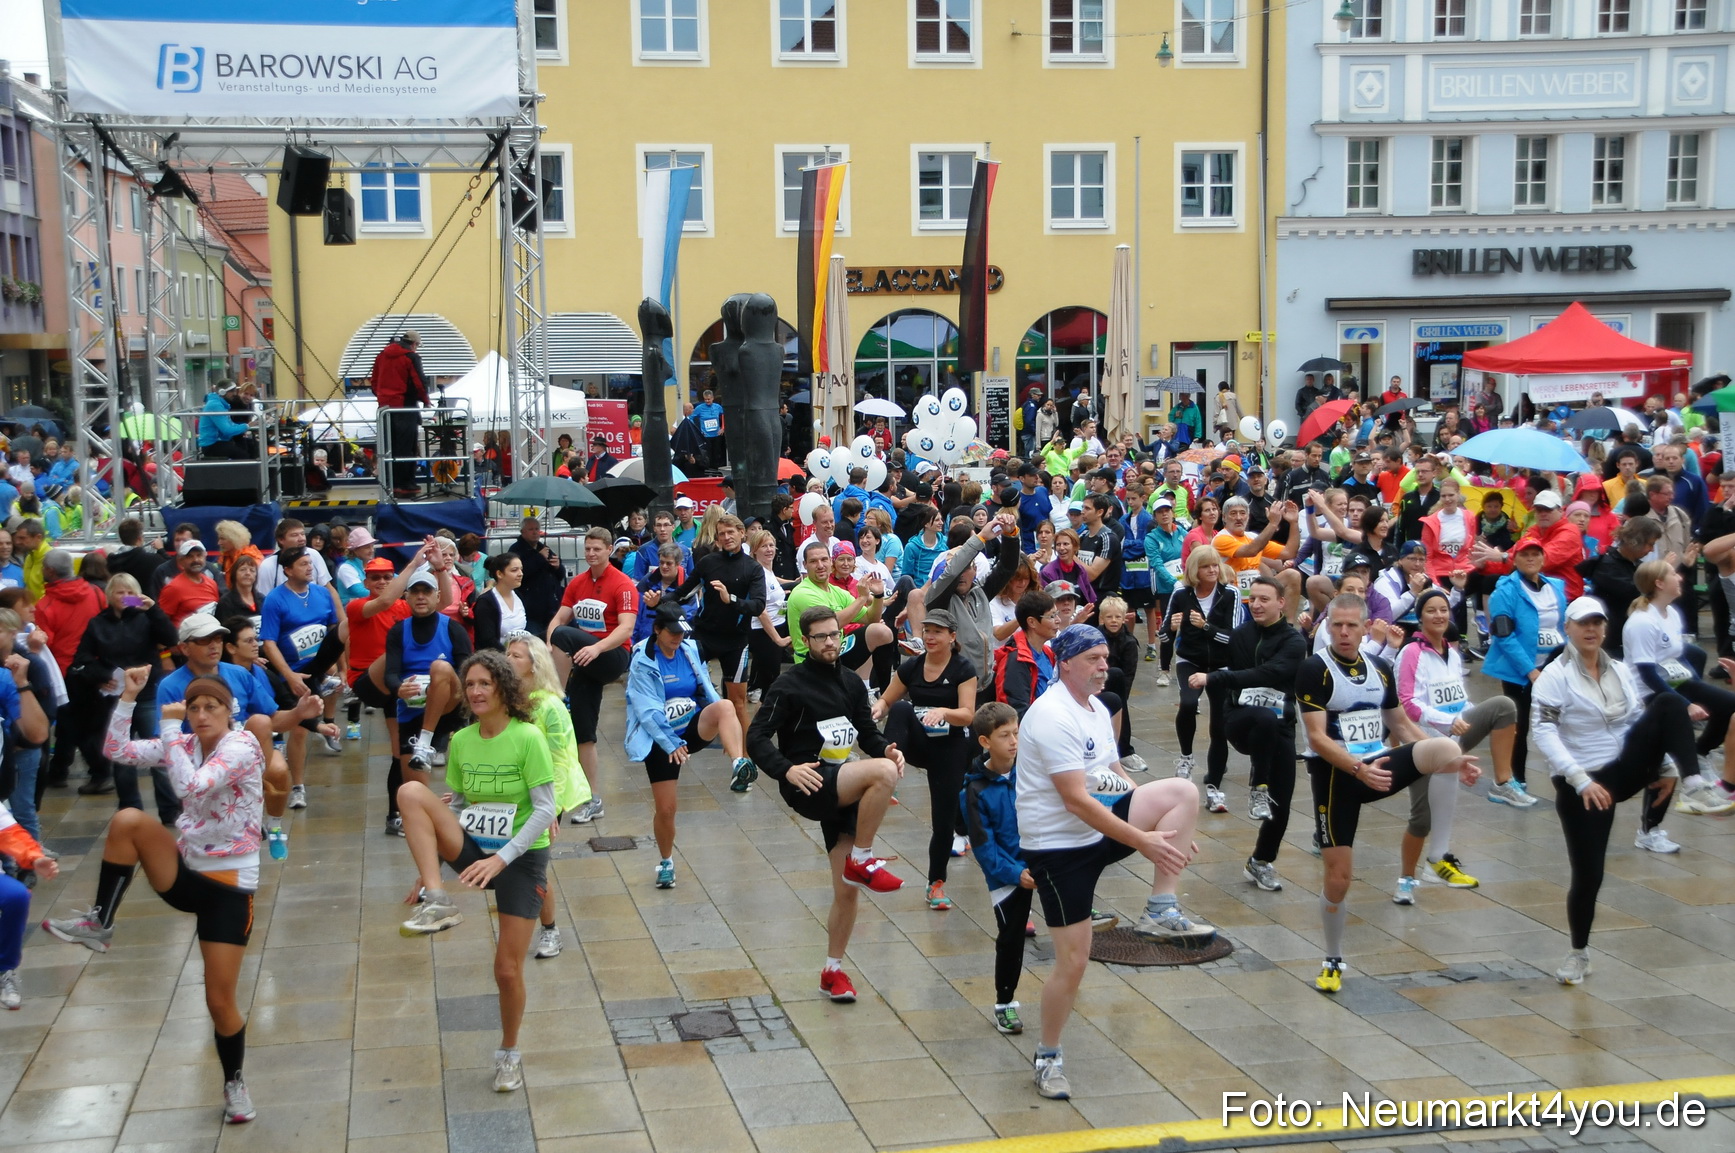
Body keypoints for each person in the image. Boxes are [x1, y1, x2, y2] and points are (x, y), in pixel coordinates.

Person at [44, 668, 287, 1124]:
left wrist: (171, 726)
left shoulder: (240, 746)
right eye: (192, 707)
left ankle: (234, 1081)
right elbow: (115, 750)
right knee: (128, 820)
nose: (199, 715)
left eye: (209, 706)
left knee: (219, 1001)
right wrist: (130, 698)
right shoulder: (186, 743)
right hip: (185, 872)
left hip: (228, 891)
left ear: (229, 710)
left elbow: (190, 786)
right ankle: (101, 920)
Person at [1019, 624, 1215, 1100]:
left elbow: (1114, 776)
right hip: (1059, 850)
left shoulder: (1095, 709)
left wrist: (1167, 832)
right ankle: (1048, 1056)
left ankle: (1161, 907)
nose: (1104, 665)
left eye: (1106, 657)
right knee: (1074, 961)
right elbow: (1077, 801)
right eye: (1093, 658)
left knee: (1181, 792)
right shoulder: (1051, 717)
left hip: (1099, 830)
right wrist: (1144, 841)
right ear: (1065, 663)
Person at [1300, 594, 1482, 994]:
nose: (1344, 633)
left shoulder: (1380, 667)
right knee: (1339, 878)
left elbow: (1401, 725)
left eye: (1352, 626)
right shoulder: (1315, 670)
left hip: (1379, 766)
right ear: (1328, 628)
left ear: (1367, 628)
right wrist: (1357, 769)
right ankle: (1332, 956)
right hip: (1339, 778)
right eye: (1337, 626)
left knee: (1448, 749)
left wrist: (1451, 763)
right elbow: (1316, 737)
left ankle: (1437, 857)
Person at [395, 650, 556, 1093]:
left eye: (485, 683)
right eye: (470, 685)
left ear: (504, 688)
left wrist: (501, 858)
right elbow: (463, 806)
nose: (476, 691)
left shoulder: (528, 738)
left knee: (506, 970)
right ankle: (436, 899)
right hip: (474, 849)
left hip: (519, 859)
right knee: (411, 790)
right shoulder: (462, 741)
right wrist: (429, 866)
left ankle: (509, 1053)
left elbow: (545, 810)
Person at [1530, 597, 1700, 985]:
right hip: (1584, 781)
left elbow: (1639, 720)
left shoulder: (1620, 670)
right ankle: (1579, 953)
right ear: (1568, 629)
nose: (1591, 630)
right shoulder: (1555, 676)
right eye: (1583, 624)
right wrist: (1579, 779)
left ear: (1605, 629)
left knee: (1669, 702)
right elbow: (1543, 731)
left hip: (1623, 765)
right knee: (1588, 875)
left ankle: (1695, 783)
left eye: (1597, 624)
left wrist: (1665, 767)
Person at [746, 605, 908, 1003]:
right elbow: (756, 737)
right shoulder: (789, 686)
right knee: (884, 774)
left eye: (834, 634)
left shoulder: (852, 683)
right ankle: (864, 857)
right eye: (821, 636)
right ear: (805, 641)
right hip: (810, 784)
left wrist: (886, 746)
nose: (830, 642)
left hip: (843, 785)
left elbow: (866, 733)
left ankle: (832, 971)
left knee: (846, 892)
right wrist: (786, 770)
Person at [1392, 589, 1521, 899]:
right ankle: (1407, 879)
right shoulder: (1411, 653)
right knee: (1422, 818)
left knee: (1503, 706)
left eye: (1443, 610)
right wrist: (1446, 721)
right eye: (1431, 610)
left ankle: (1502, 782)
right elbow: (1406, 704)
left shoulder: (1451, 652)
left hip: (1452, 735)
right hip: (1422, 742)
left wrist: (1464, 716)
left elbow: (1459, 700)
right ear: (1419, 617)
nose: (1439, 615)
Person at [626, 604, 754, 888]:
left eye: (682, 632)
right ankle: (666, 862)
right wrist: (671, 743)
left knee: (724, 707)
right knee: (667, 809)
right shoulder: (643, 661)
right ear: (657, 630)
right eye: (672, 632)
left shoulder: (690, 649)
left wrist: (725, 732)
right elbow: (647, 712)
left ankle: (738, 764)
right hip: (661, 741)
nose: (678, 638)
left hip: (692, 727)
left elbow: (706, 689)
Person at [1197, 577, 1306, 892]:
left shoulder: (1294, 641)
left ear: (1281, 603)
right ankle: (1258, 786)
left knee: (1282, 803)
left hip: (1280, 726)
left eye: (1264, 599)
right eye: (1252, 599)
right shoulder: (1239, 637)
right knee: (1261, 716)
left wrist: (1219, 677)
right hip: (1242, 721)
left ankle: (1260, 861)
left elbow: (1271, 673)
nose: (1256, 605)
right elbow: (1233, 683)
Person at [873, 609, 977, 911]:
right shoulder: (913, 665)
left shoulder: (962, 668)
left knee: (943, 823)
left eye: (937, 632)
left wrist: (944, 712)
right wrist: (878, 708)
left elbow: (968, 715)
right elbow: (889, 698)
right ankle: (888, 772)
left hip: (951, 747)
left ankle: (936, 883)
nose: (930, 637)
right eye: (927, 631)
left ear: (951, 637)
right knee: (903, 710)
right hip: (918, 743)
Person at [1619, 560, 1735, 819]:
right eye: (1673, 574)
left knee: (1729, 704)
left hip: (1674, 684)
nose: (1680, 578)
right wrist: (1686, 703)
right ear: (1659, 583)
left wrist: (1699, 691)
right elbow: (1648, 674)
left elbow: (1678, 658)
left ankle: (1701, 752)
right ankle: (1652, 827)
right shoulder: (1641, 622)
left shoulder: (1671, 613)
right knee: (1660, 759)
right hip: (1649, 694)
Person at [504, 632, 592, 958]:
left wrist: (550, 810)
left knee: (534, 868)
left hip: (542, 799)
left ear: (533, 665)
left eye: (517, 656)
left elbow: (560, 759)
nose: (509, 660)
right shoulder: (508, 700)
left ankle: (550, 930)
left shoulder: (551, 706)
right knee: (518, 867)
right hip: (512, 795)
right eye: (508, 654)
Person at [546, 527, 640, 825]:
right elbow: (559, 619)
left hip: (611, 655)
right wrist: (549, 647)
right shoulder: (577, 583)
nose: (590, 554)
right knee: (583, 732)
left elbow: (626, 628)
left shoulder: (623, 584)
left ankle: (556, 696)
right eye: (587, 549)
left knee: (563, 635)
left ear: (609, 550)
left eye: (596, 549)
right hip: (584, 660)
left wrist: (597, 648)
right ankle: (592, 798)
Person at [960, 702, 1032, 1034]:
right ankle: (1005, 1004)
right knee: (1011, 938)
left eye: (1016, 733)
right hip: (1007, 877)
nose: (1014, 742)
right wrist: (1016, 874)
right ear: (985, 742)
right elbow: (985, 849)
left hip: (1040, 860)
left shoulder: (1031, 771)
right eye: (1005, 736)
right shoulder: (974, 791)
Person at [258, 546, 347, 807]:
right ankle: (297, 786)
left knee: (302, 728)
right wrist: (289, 674)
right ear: (287, 570)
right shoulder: (275, 599)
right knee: (299, 730)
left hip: (317, 668)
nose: (310, 568)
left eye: (311, 563)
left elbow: (335, 634)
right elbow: (269, 643)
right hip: (290, 671)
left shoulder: (321, 593)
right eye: (303, 564)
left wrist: (342, 668)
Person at [1481, 536, 1566, 805]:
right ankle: (1512, 780)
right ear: (1514, 559)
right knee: (1517, 726)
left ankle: (1567, 773)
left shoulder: (1556, 587)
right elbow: (1504, 636)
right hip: (1519, 671)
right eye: (1525, 554)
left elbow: (1565, 626)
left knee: (1561, 721)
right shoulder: (1504, 592)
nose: (1531, 559)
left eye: (1535, 554)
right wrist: (1529, 671)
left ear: (1543, 558)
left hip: (1553, 667)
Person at [1166, 547, 1242, 806]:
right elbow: (1164, 635)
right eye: (1205, 566)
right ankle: (1186, 757)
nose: (1212, 570)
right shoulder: (1181, 594)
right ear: (1194, 570)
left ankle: (1215, 784)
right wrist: (1172, 628)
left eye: (1215, 565)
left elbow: (1233, 637)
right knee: (1188, 703)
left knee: (1219, 725)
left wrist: (1206, 627)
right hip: (1190, 660)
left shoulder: (1230, 593)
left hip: (1221, 665)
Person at [370, 331, 431, 496]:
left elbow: (374, 381)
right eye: (417, 345)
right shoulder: (411, 357)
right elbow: (419, 382)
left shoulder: (381, 356)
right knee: (406, 447)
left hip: (384, 408)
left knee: (388, 447)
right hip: (405, 407)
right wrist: (426, 400)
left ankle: (389, 482)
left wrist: (382, 397)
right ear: (413, 344)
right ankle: (405, 485)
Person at [508, 517, 566, 638]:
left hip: (551, 606)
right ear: (523, 532)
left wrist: (558, 566)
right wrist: (539, 558)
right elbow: (521, 574)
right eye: (531, 529)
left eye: (537, 529)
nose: (535, 532)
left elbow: (559, 576)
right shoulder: (516, 550)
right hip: (531, 608)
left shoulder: (544, 548)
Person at [472, 553, 528, 652]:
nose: (520, 574)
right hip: (496, 658)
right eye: (514, 570)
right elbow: (486, 641)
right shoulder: (486, 602)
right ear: (499, 574)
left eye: (521, 569)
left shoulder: (518, 596)